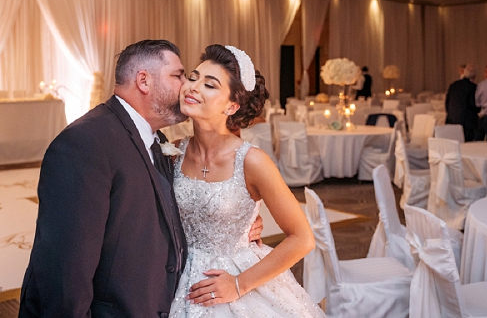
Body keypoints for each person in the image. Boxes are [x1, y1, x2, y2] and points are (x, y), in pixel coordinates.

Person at [18, 40, 262, 317]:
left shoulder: (159, 140)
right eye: (179, 75)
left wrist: (236, 219)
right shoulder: (84, 143)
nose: (186, 85)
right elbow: (65, 273)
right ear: (144, 81)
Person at [168, 44, 325, 317]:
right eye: (193, 78)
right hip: (176, 279)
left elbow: (302, 238)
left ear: (232, 105)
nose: (193, 87)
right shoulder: (173, 152)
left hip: (236, 280)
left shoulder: (252, 161)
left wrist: (239, 284)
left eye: (210, 85)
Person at [445, 64, 480, 141]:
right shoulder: (472, 87)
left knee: (454, 142)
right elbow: (473, 105)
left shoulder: (453, 85)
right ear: (474, 76)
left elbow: (447, 102)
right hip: (467, 122)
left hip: (452, 120)